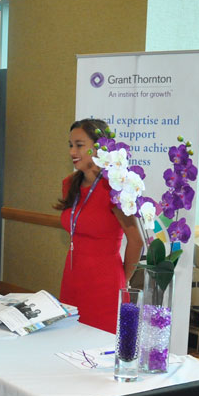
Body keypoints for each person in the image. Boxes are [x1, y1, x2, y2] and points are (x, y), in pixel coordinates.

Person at [56, 118, 143, 334]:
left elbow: (136, 241)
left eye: (79, 145)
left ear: (99, 147)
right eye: (70, 145)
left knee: (99, 346)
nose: (72, 152)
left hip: (105, 285)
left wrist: (122, 280)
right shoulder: (70, 184)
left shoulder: (114, 187)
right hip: (72, 279)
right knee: (68, 342)